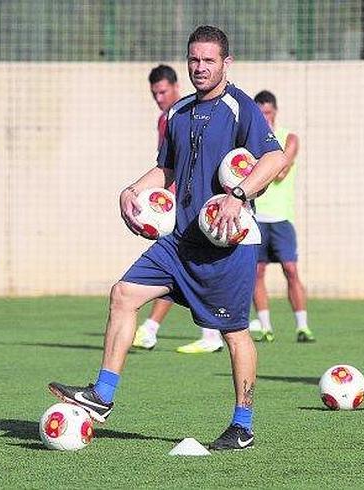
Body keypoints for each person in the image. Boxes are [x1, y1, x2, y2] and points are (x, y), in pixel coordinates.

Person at [48, 26, 285, 450]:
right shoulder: (178, 113)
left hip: (227, 246)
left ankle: (242, 425)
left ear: (226, 64)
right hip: (180, 243)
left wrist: (239, 193)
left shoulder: (240, 107)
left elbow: (274, 157)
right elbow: (169, 169)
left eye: (209, 60)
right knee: (123, 294)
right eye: (194, 59)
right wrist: (133, 189)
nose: (200, 67)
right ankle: (102, 396)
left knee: (233, 334)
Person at [133, 64, 224, 354]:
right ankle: (205, 333)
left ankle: (152, 330)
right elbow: (167, 165)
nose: (159, 98)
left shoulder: (190, 114)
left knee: (176, 265)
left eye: (162, 91)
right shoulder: (168, 117)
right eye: (154, 93)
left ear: (175, 86)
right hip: (171, 203)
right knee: (180, 266)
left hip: (185, 206)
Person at [250, 90, 315, 343]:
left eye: (267, 112)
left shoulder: (289, 138)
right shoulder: (249, 139)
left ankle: (302, 326)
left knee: (290, 269)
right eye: (260, 113)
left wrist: (261, 162)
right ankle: (266, 327)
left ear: (274, 112)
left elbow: (279, 173)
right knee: (257, 272)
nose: (264, 118)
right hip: (257, 217)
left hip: (280, 217)